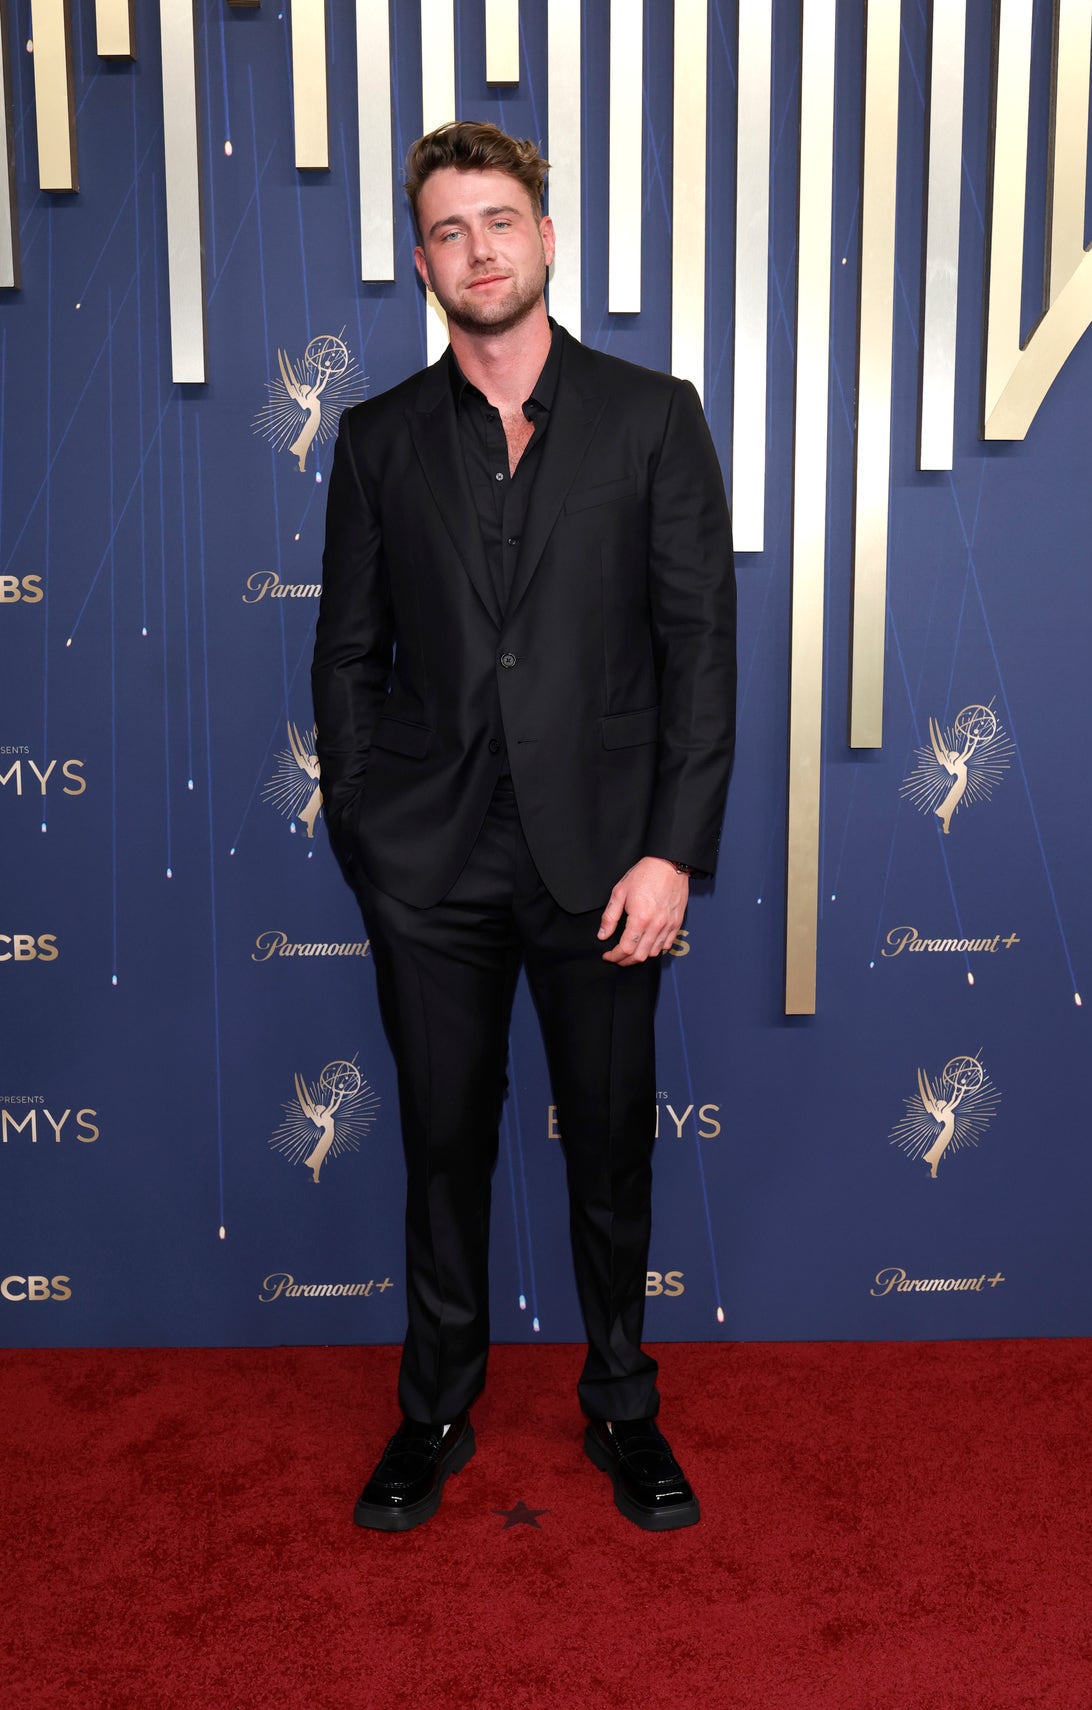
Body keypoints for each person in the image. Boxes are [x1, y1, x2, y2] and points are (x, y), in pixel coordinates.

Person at [312, 121, 736, 1533]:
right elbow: (346, 653)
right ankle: (435, 1407)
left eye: (499, 221)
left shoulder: (652, 416)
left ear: (545, 238)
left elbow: (701, 651)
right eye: (449, 229)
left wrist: (673, 851)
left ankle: (624, 1406)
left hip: (607, 861)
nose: (477, 249)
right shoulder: (376, 440)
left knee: (610, 1150)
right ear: (422, 261)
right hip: (429, 866)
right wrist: (365, 832)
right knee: (442, 1146)